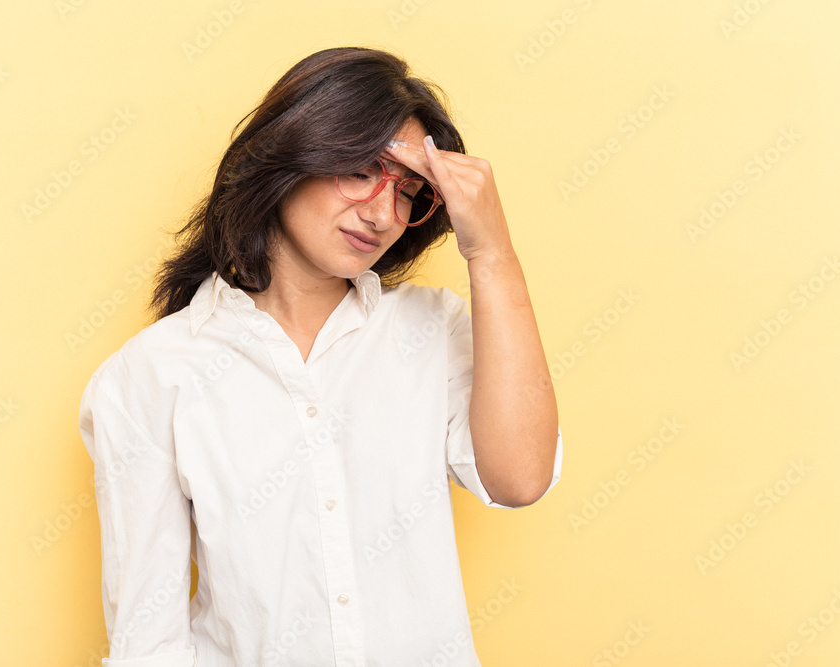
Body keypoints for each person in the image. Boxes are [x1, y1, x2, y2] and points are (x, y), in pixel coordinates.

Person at [78, 46, 563, 666]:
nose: (384, 213)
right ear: (293, 150)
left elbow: (520, 479)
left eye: (410, 192)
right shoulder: (150, 376)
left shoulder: (430, 332)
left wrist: (492, 253)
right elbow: (149, 640)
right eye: (361, 170)